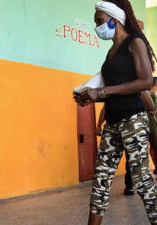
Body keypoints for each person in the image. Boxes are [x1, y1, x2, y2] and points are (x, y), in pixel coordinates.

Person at [74, 1, 157, 224]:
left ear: (114, 19)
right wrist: (88, 95)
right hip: (112, 122)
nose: (97, 27)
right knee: (100, 180)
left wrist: (102, 91)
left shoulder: (134, 42)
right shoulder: (112, 51)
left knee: (141, 179)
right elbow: (112, 87)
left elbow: (146, 81)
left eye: (100, 21)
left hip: (133, 120)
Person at [96, 89, 157, 196]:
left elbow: (152, 108)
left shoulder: (139, 91)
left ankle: (132, 186)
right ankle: (133, 185)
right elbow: (152, 109)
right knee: (138, 157)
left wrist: (98, 126)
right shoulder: (118, 91)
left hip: (141, 128)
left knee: (134, 157)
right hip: (139, 128)